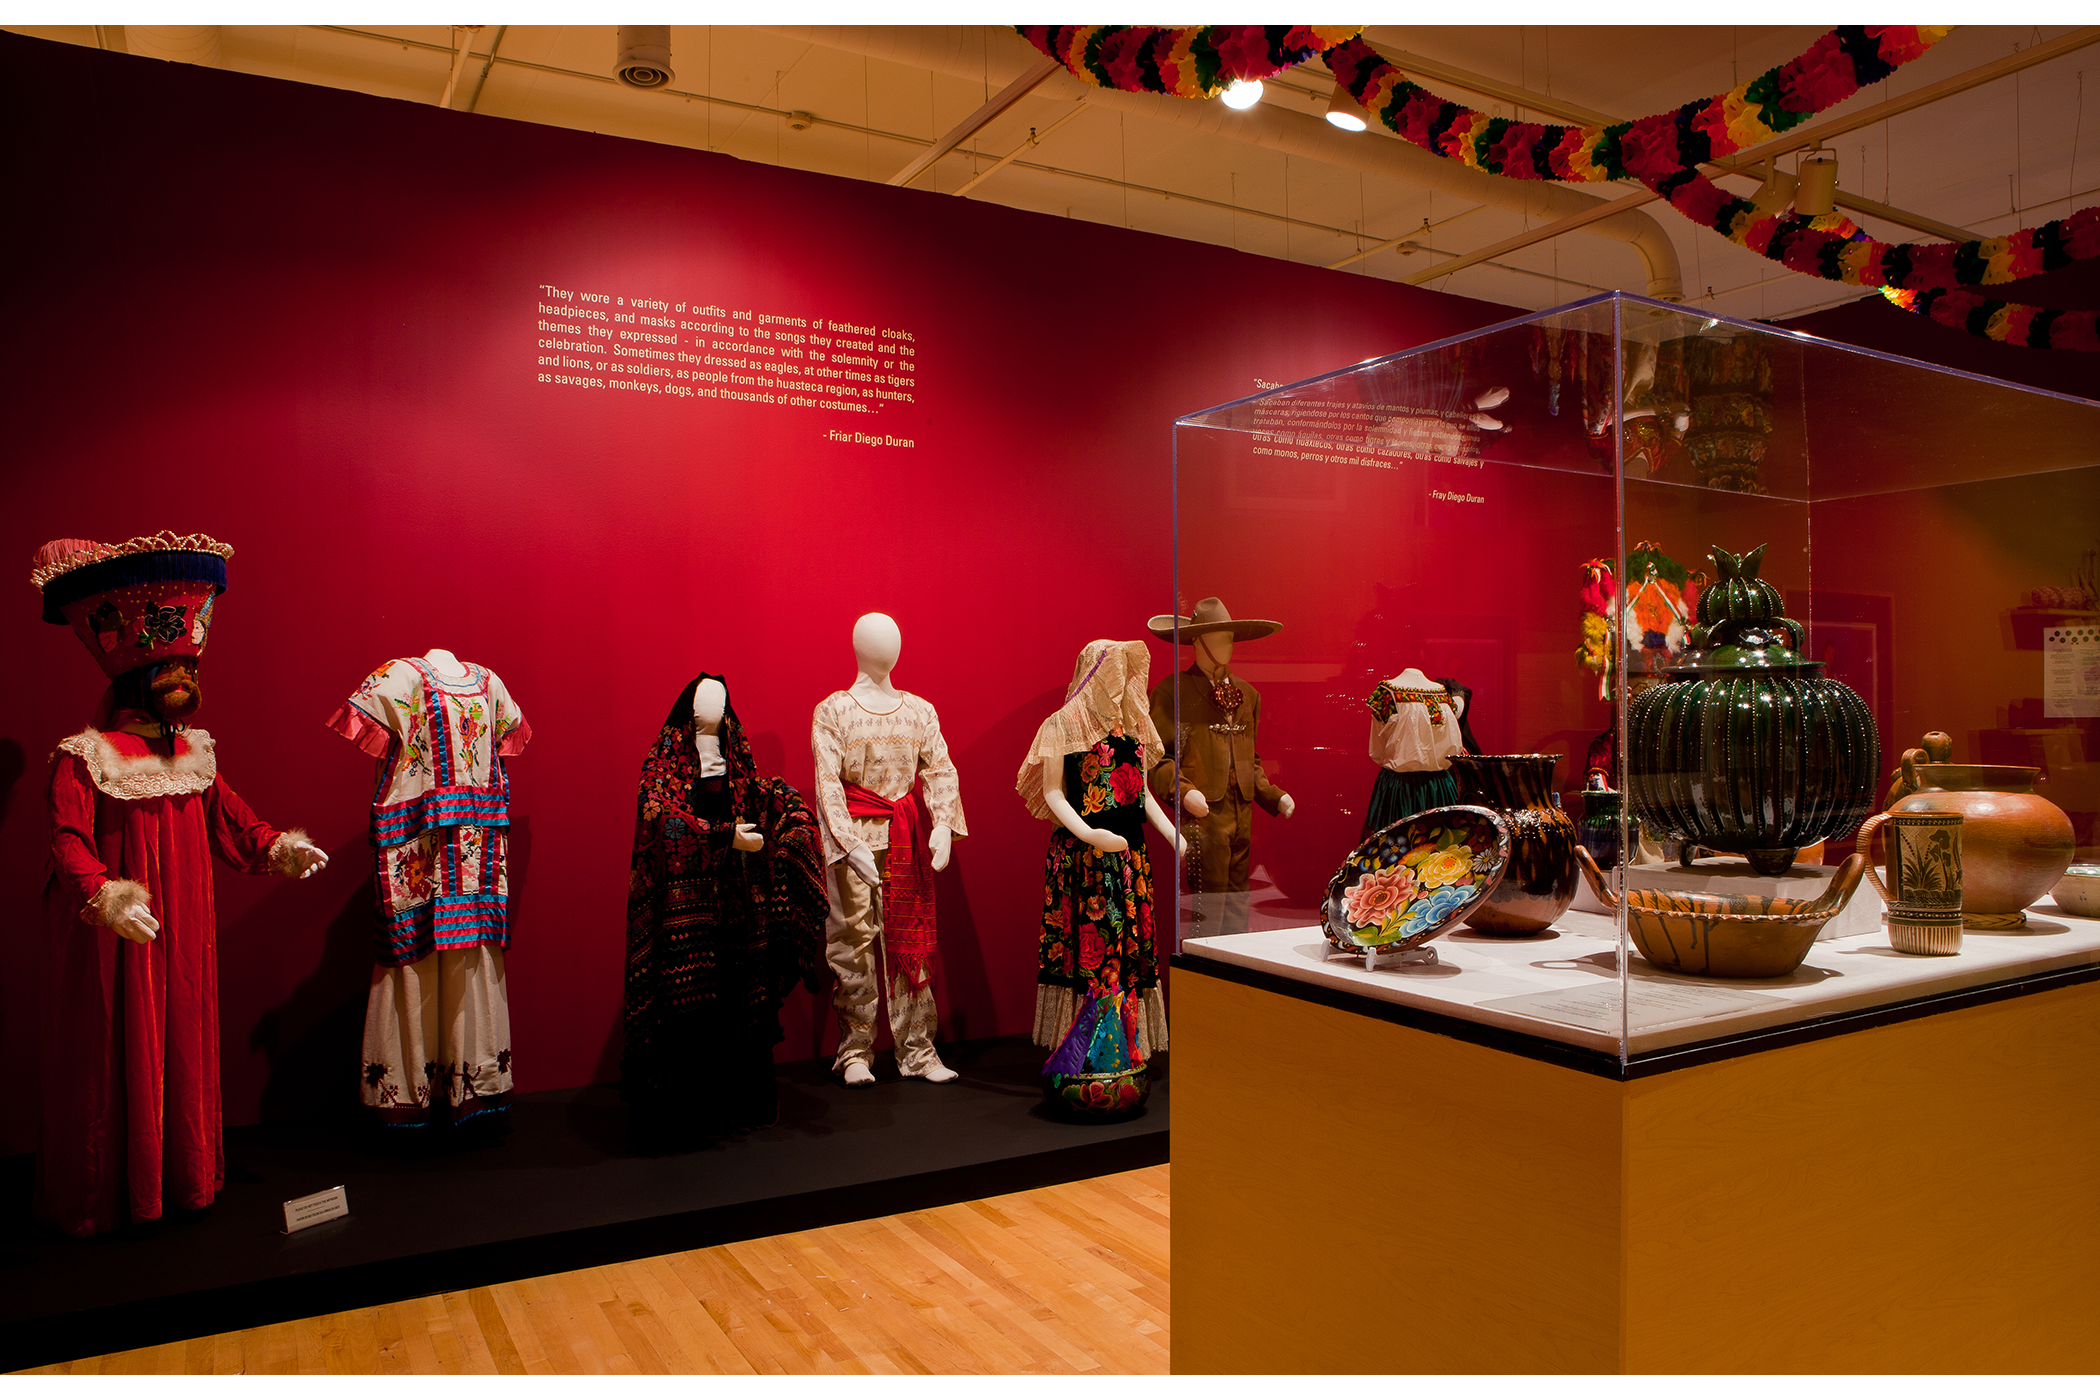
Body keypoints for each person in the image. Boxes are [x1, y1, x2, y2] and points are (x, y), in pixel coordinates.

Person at [31, 532, 327, 1237]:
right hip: (124, 934)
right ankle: (112, 1188)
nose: (182, 683)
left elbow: (236, 827)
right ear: (134, 678)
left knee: (184, 1031)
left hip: (184, 930)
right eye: (167, 672)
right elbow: (68, 841)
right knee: (113, 1045)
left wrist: (282, 848)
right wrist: (105, 896)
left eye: (186, 670)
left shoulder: (196, 753)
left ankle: (181, 1176)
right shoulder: (85, 758)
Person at [625, 672, 826, 1143]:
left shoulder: (736, 758)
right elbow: (657, 816)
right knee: (689, 1000)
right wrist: (722, 836)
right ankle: (688, 1114)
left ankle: (741, 1105)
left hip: (737, 909)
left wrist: (794, 826)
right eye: (704, 712)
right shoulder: (664, 766)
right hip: (685, 914)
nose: (712, 719)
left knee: (739, 994)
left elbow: (766, 795)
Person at [810, 613, 967, 1085]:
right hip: (857, 839)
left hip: (906, 839)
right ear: (858, 646)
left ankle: (918, 1049)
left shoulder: (920, 711)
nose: (889, 645)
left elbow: (941, 769)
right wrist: (846, 842)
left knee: (911, 942)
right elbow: (827, 785)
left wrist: (943, 824)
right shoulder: (833, 710)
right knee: (852, 940)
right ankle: (856, 1049)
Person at [1017, 639, 1182, 1058]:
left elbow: (1141, 791)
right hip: (1084, 858)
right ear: (1094, 671)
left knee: (1129, 948)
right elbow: (1054, 794)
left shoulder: (1131, 728)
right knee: (1090, 949)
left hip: (1129, 857)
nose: (1121, 679)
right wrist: (1091, 834)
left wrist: (1172, 833)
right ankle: (1083, 1045)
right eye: (1114, 669)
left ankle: (1124, 1043)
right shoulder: (1061, 725)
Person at [1145, 597, 1294, 937]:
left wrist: (1273, 795)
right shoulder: (1173, 692)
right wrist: (1183, 793)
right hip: (1205, 813)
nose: (1226, 646)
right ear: (1196, 641)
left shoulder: (1247, 694)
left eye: (1229, 637)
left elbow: (1250, 759)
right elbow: (1157, 758)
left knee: (1239, 901)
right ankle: (1208, 972)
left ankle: (1237, 968)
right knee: (1209, 906)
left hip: (1242, 811)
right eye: (1217, 637)